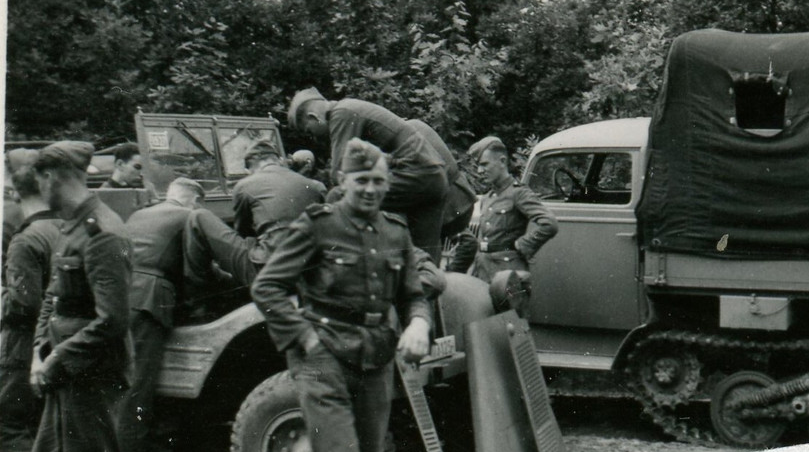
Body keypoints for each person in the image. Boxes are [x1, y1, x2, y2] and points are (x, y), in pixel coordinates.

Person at [251, 139, 431, 452]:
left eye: (378, 181)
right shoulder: (318, 225)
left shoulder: (396, 231)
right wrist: (305, 338)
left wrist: (418, 324)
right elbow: (267, 286)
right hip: (321, 358)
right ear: (342, 179)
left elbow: (413, 294)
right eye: (361, 179)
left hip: (376, 359)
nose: (370, 189)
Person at [29, 140, 133, 452]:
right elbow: (52, 301)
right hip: (64, 373)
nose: (40, 191)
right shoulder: (70, 227)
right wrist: (39, 352)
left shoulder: (102, 232)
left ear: (50, 176)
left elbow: (113, 320)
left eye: (40, 182)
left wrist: (55, 358)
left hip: (91, 374)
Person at [115, 178, 205, 452]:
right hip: (148, 303)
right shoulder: (188, 218)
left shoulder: (141, 214)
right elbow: (196, 270)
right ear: (194, 201)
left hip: (120, 298)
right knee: (136, 401)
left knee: (121, 393)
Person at [287, 89, 448, 259]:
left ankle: (332, 263)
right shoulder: (350, 108)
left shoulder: (341, 114)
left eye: (309, 131)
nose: (312, 137)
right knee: (423, 256)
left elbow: (341, 173)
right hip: (434, 177)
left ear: (314, 117)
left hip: (415, 174)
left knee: (337, 196)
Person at [0, 152, 61, 452]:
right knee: (42, 420)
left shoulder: (26, 237)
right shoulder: (65, 227)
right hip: (56, 335)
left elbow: (23, 302)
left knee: (7, 417)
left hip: (23, 339)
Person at [184, 140, 325, 292]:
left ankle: (201, 294)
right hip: (309, 270)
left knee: (198, 217)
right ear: (278, 160)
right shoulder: (313, 185)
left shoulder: (245, 185)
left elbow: (242, 232)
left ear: (251, 167)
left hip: (269, 270)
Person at [450, 136, 558, 283]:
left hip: (508, 272)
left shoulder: (518, 193)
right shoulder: (488, 197)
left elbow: (549, 223)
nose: (480, 171)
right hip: (482, 270)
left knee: (508, 306)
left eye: (485, 164)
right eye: (478, 166)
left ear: (502, 161)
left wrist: (523, 245)